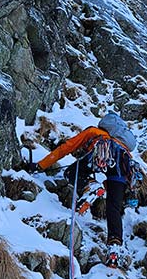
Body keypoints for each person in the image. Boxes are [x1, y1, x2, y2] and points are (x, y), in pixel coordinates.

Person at [36, 112, 138, 268]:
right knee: (114, 208)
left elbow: (66, 147)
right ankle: (114, 246)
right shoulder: (125, 147)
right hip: (123, 167)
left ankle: (90, 186)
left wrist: (40, 165)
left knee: (73, 172)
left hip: (103, 151)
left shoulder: (94, 132)